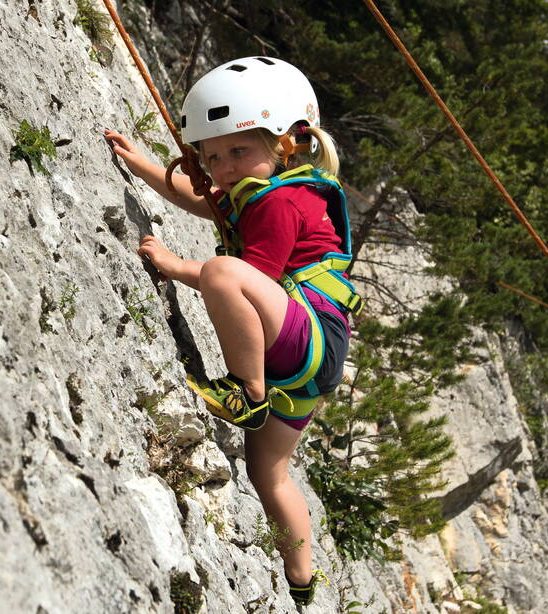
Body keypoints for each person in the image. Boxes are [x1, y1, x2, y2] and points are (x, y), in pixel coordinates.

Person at [104, 56, 362, 609]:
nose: (222, 166)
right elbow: (207, 202)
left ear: (288, 144)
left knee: (221, 270)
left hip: (301, 340)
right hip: (315, 354)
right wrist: (144, 164)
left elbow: (248, 279)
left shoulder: (279, 204)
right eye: (212, 155)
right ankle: (301, 581)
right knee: (269, 475)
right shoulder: (278, 187)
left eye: (238, 150)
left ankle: (247, 391)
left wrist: (177, 267)